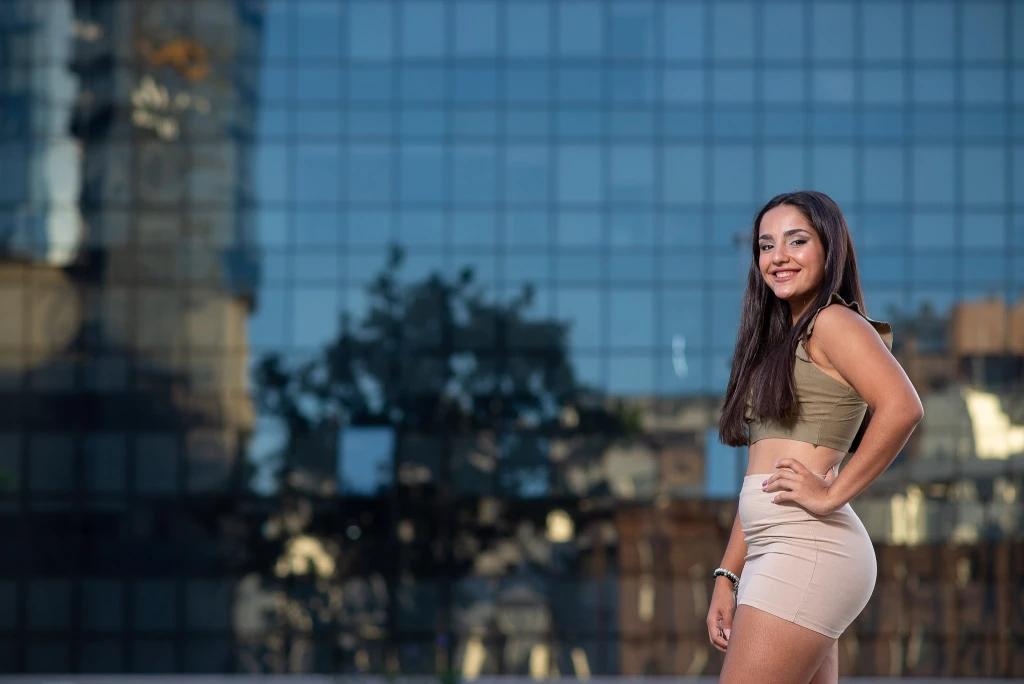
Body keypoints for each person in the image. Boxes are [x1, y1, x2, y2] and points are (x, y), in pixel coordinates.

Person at [706, 191, 924, 684]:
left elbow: (903, 406)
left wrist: (831, 494)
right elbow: (763, 477)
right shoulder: (780, 345)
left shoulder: (833, 321)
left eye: (796, 241)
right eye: (766, 246)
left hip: (806, 546)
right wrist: (728, 573)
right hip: (774, 547)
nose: (778, 256)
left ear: (830, 248)